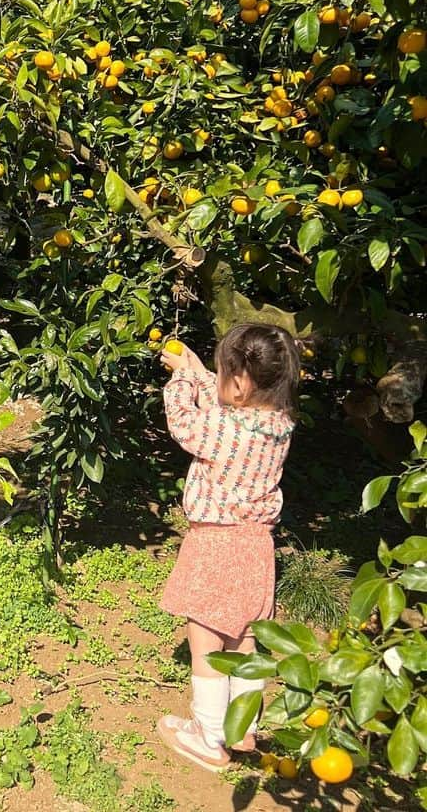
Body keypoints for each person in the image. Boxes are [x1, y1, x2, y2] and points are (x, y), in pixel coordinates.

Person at [156, 323, 299, 771]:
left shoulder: (220, 426)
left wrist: (181, 379)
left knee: (207, 642)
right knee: (245, 640)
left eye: (222, 374)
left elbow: (183, 421)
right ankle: (243, 728)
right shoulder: (280, 425)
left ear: (238, 383)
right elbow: (229, 408)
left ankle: (208, 734)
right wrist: (201, 371)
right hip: (257, 548)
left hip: (215, 544)